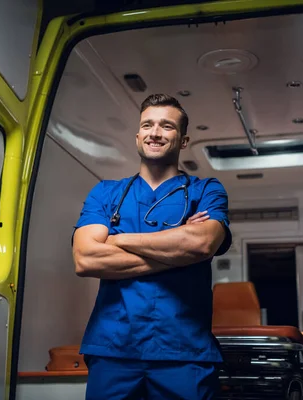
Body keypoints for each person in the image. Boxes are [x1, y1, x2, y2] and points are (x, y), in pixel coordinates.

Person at [72, 93, 232, 399]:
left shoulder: (206, 190)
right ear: (137, 136)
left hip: (185, 351)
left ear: (184, 141)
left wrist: (118, 239)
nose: (155, 133)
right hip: (114, 348)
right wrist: (178, 251)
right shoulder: (106, 193)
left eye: (167, 126)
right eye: (148, 125)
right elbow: (86, 259)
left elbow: (202, 244)